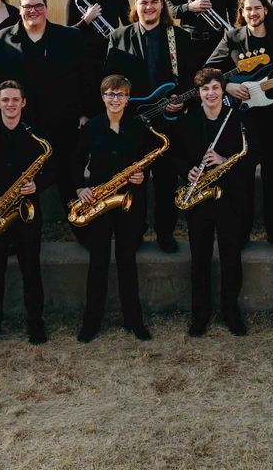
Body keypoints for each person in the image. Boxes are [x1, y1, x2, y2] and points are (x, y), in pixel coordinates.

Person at [104, 0, 197, 253]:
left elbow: (192, 78)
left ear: (162, 6)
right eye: (143, 2)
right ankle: (135, 230)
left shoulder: (178, 37)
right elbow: (110, 80)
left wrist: (180, 100)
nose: (148, 7)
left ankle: (165, 233)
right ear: (135, 6)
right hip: (132, 121)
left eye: (154, 2)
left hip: (168, 122)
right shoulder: (118, 36)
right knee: (134, 179)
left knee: (167, 180)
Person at [0, 0, 87, 226]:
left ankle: (81, 227)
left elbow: (85, 76)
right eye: (27, 7)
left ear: (47, 8)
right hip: (20, 124)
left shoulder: (70, 37)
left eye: (38, 6)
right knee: (18, 181)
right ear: (19, 9)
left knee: (68, 177)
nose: (33, 11)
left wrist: (84, 112)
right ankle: (14, 233)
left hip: (62, 122)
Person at [0, 81, 53, 347]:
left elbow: (53, 169)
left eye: (15, 99)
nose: (10, 104)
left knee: (31, 269)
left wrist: (38, 185)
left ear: (24, 102)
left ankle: (35, 323)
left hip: (27, 211)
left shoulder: (36, 134)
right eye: (5, 100)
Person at [72, 75, 156, 343]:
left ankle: (134, 321)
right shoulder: (92, 127)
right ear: (103, 97)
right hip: (98, 200)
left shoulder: (138, 127)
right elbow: (75, 163)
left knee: (127, 260)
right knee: (98, 261)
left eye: (120, 95)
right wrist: (79, 188)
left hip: (130, 199)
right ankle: (91, 322)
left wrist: (143, 174)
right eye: (110, 94)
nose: (116, 99)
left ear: (128, 98)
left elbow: (146, 160)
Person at [206, 0, 273, 251]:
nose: (252, 13)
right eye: (247, 9)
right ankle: (241, 232)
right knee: (241, 176)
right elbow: (208, 70)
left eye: (257, 8)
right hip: (243, 118)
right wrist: (228, 86)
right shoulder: (232, 38)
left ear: (266, 10)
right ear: (242, 13)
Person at [169, 68, 249, 336]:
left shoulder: (237, 119)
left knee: (231, 257)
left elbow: (252, 154)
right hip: (200, 199)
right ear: (199, 94)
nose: (211, 93)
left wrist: (225, 161)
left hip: (231, 198)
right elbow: (176, 156)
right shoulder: (187, 122)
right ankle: (200, 315)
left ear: (222, 89)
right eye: (205, 89)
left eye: (216, 88)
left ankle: (231, 311)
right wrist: (187, 171)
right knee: (199, 258)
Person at [65, 0, 130, 116]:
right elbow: (68, 33)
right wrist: (87, 19)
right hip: (86, 58)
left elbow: (129, 26)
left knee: (111, 101)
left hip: (111, 57)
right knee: (89, 103)